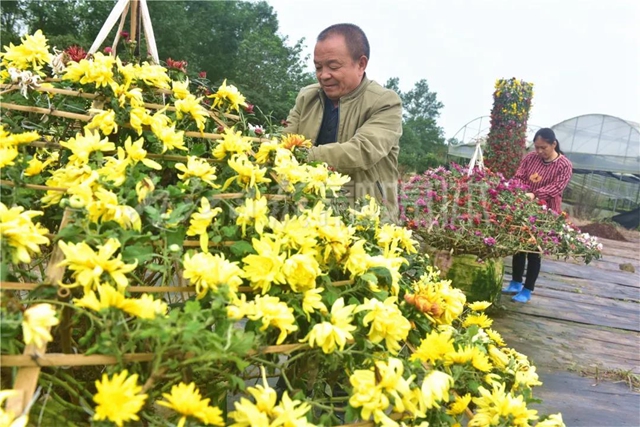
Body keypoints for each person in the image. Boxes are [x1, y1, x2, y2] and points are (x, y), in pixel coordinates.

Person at [283, 23, 403, 220]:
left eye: (333, 66)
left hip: (365, 219)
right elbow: (284, 138)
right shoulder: (307, 97)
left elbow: (361, 151)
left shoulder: (385, 102)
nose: (324, 75)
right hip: (309, 210)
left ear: (361, 64)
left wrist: (299, 154)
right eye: (318, 67)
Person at [502, 128, 573, 303]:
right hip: (524, 208)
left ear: (553, 144)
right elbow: (519, 176)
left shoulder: (564, 165)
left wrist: (535, 195)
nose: (539, 151)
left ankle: (527, 289)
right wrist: (519, 189)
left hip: (545, 212)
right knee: (519, 246)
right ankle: (516, 282)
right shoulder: (530, 158)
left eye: (543, 147)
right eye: (537, 147)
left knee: (534, 250)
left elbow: (556, 188)